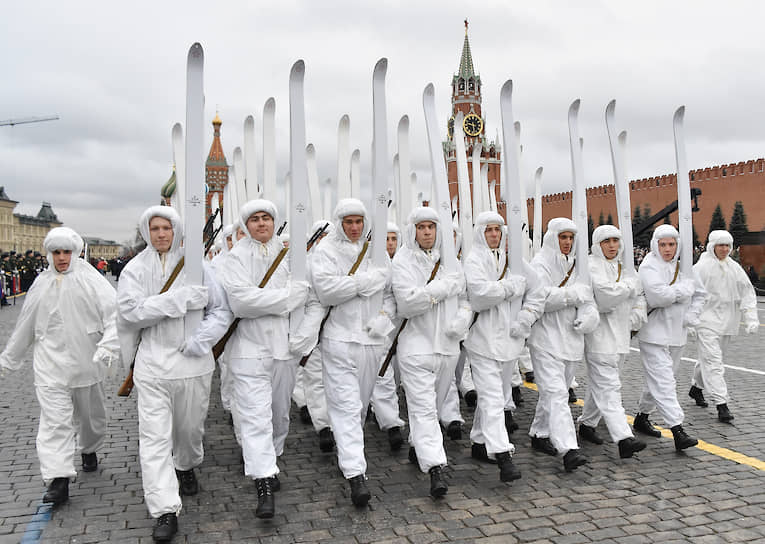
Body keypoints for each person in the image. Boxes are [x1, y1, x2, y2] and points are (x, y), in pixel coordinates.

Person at [117, 206, 232, 542]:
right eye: (154, 228)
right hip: (153, 365)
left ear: (176, 230)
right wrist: (177, 299)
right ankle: (164, 508)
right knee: (153, 440)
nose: (161, 234)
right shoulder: (135, 269)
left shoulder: (200, 268)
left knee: (189, 431)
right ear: (146, 232)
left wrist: (202, 340)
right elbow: (129, 311)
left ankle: (186, 464)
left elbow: (221, 310)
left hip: (192, 364)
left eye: (167, 228)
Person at [0, 227, 120, 506]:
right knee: (54, 423)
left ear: (75, 252)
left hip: (85, 364)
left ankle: (89, 448)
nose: (62, 257)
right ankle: (58, 479)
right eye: (57, 252)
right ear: (49, 254)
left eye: (67, 252)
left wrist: (108, 347)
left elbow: (114, 315)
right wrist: (7, 361)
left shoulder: (92, 281)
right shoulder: (41, 284)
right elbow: (25, 327)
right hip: (49, 366)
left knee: (91, 418)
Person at [220, 200, 309, 519]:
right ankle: (263, 480)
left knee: (279, 414)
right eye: (255, 219)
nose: (261, 224)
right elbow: (241, 303)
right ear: (246, 225)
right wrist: (286, 298)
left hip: (283, 350)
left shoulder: (290, 256)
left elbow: (308, 297)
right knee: (255, 416)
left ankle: (270, 458)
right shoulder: (235, 258)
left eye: (266, 218)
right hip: (247, 350)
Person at [310, 198, 395, 507]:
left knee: (358, 406)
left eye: (359, 221)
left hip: (371, 342)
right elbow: (327, 290)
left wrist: (383, 321)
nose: (355, 227)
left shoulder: (378, 253)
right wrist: (364, 281)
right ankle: (356, 474)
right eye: (349, 222)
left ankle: (349, 449)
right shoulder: (325, 252)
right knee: (345, 406)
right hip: (339, 340)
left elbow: (391, 294)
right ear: (339, 223)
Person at [391, 207, 469, 497]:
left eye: (431, 227)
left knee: (433, 407)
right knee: (423, 410)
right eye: (421, 227)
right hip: (416, 348)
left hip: (447, 347)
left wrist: (461, 321)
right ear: (413, 230)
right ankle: (436, 468)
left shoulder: (450, 261)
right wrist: (442, 288)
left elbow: (465, 298)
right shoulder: (401, 261)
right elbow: (408, 303)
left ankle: (418, 445)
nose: (426, 232)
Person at [463, 211, 544, 480]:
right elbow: (480, 296)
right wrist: (510, 287)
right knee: (493, 398)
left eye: (498, 230)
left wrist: (526, 317)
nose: (494, 234)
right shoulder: (473, 260)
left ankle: (478, 442)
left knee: (494, 394)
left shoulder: (515, 261)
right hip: (483, 340)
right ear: (480, 233)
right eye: (489, 230)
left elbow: (537, 292)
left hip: (510, 341)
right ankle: (502, 454)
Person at [527, 218, 599, 472]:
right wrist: (573, 295)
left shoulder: (579, 266)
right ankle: (569, 448)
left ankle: (539, 432)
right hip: (545, 339)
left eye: (571, 238)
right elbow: (541, 298)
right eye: (563, 237)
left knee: (552, 392)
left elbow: (589, 300)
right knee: (557, 394)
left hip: (570, 339)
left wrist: (588, 318)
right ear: (552, 237)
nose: (567, 243)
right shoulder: (539, 264)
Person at [577, 225, 647, 458]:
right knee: (609, 388)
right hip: (599, 337)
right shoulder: (590, 265)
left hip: (620, 336)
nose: (612, 246)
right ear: (598, 244)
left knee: (604, 384)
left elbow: (639, 295)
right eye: (607, 241)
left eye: (615, 240)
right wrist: (627, 288)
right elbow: (605, 298)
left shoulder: (623, 267)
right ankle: (624, 438)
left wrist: (634, 314)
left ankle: (587, 425)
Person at [633, 224, 705, 451]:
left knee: (659, 379)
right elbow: (658, 297)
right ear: (655, 245)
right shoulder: (648, 266)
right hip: (653, 334)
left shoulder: (684, 267)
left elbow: (701, 294)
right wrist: (685, 290)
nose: (667, 249)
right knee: (664, 382)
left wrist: (691, 314)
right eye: (663, 244)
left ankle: (642, 416)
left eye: (671, 244)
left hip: (677, 334)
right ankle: (678, 429)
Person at [689, 230, 759, 422]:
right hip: (705, 322)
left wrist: (751, 317)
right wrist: (690, 320)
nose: (725, 249)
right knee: (713, 361)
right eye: (721, 245)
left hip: (727, 323)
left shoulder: (733, 267)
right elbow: (690, 294)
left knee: (710, 358)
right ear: (712, 246)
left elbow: (747, 292)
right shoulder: (701, 268)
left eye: (728, 245)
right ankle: (722, 404)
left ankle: (696, 388)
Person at [289, 220, 337, 453]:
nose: (324, 239)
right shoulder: (304, 264)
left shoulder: (339, 260)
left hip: (338, 331)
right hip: (314, 331)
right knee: (315, 380)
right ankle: (324, 426)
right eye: (321, 235)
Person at [368, 221, 406, 451]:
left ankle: (386, 415)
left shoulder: (403, 262)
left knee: (392, 376)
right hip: (375, 329)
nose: (390, 244)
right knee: (382, 374)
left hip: (399, 328)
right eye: (386, 239)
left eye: (394, 239)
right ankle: (389, 420)